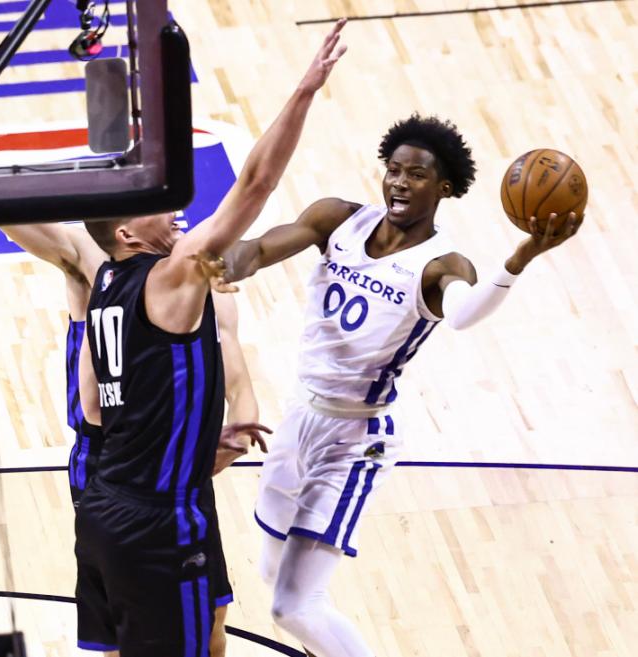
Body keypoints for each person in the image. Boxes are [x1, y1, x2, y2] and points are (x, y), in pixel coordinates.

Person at [0, 27, 271, 656]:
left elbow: (229, 348)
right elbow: (1, 205)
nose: (174, 202)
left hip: (180, 471)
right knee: (124, 638)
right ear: (124, 223)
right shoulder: (94, 259)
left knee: (214, 625)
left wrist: (240, 419)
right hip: (112, 472)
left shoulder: (190, 268)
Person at [221, 113, 583, 657]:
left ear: (443, 189)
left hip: (356, 438)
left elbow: (461, 315)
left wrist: (520, 258)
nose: (399, 182)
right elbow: (260, 248)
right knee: (273, 575)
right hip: (296, 419)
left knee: (291, 606)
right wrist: (222, 263)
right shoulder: (336, 219)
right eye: (393, 169)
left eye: (415, 175)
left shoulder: (440, 264)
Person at [72, 20, 348, 656]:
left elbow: (94, 407)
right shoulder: (170, 277)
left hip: (108, 505)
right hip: (161, 520)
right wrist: (304, 91)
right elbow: (254, 187)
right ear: (126, 235)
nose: (173, 206)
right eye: (154, 203)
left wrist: (187, 438)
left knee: (182, 641)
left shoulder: (105, 284)